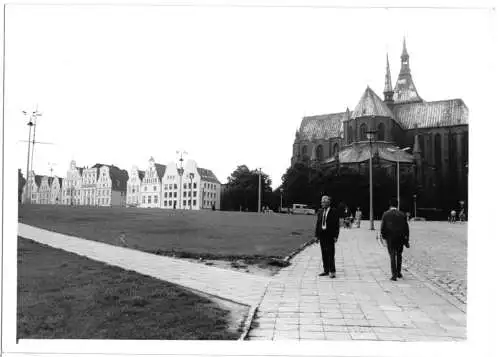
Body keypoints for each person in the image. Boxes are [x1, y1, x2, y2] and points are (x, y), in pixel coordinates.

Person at [380, 198, 410, 281]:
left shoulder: (386, 214)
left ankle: (394, 274)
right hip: (400, 237)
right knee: (399, 255)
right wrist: (406, 239)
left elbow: (383, 227)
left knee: (392, 255)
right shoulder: (402, 214)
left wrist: (383, 236)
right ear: (397, 205)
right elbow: (406, 228)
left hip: (390, 237)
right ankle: (399, 272)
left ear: (390, 205)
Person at [315, 195, 340, 278]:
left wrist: (336, 236)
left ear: (329, 202)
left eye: (324, 202)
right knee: (324, 253)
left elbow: (337, 225)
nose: (322, 203)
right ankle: (326, 270)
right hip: (322, 235)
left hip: (330, 235)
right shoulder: (320, 211)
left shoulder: (334, 211)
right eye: (322, 202)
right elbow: (318, 224)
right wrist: (316, 235)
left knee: (330, 253)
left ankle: (332, 271)